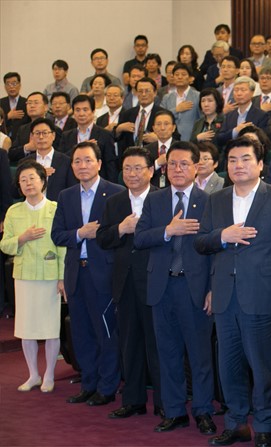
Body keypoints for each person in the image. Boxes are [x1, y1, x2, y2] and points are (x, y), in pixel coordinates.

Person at [195, 136, 271, 447]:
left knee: (262, 367)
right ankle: (236, 423)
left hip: (262, 295)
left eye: (246, 159)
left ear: (261, 164)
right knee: (229, 365)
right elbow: (202, 243)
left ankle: (264, 425)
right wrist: (223, 236)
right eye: (233, 160)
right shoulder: (217, 199)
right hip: (225, 295)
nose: (239, 165)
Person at [133, 141, 216, 435]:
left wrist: (212, 289)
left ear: (196, 167)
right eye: (172, 164)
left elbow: (215, 250)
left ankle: (203, 411)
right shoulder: (154, 200)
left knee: (199, 355)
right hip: (162, 286)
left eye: (183, 164)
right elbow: (140, 238)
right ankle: (174, 411)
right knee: (167, 353)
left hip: (195, 289)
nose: (177, 169)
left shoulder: (209, 201)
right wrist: (168, 231)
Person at [51, 141, 125, 406]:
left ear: (99, 164)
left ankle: (107, 387)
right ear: (72, 166)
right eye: (77, 161)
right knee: (81, 333)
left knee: (106, 333)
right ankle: (88, 383)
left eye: (88, 160)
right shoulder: (66, 195)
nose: (82, 166)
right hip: (76, 273)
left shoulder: (116, 192)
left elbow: (121, 234)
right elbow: (57, 235)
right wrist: (80, 233)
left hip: (104, 273)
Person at [95, 147, 163, 419]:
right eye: (127, 169)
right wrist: (121, 229)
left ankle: (164, 401)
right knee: (129, 344)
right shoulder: (114, 202)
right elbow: (102, 238)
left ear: (151, 171)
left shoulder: (162, 198)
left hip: (155, 281)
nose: (132, 174)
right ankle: (133, 400)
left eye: (138, 168)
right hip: (124, 283)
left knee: (158, 344)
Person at [1, 160, 65, 393]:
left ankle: (49, 375)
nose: (28, 183)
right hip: (24, 275)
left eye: (32, 178)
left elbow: (63, 246)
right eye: (23, 180)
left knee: (50, 327)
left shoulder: (56, 208)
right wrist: (22, 238)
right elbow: (5, 244)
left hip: (50, 275)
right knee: (26, 328)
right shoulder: (14, 211)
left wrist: (62, 277)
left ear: (43, 181)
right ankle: (33, 375)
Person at [59, 95, 118, 183]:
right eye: (77, 110)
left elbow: (110, 165)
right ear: (73, 113)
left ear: (93, 112)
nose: (81, 114)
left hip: (98, 184)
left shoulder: (105, 135)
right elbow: (61, 160)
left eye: (85, 110)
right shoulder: (66, 135)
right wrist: (79, 147)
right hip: (72, 184)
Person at [18, 118, 76, 202]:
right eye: (37, 133)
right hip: (31, 207)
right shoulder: (24, 162)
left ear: (53, 136)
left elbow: (73, 190)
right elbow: (15, 192)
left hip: (58, 207)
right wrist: (38, 175)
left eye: (45, 133)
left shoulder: (66, 161)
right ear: (31, 136)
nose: (41, 137)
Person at [162, 63, 201, 142]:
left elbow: (201, 119)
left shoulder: (198, 96)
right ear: (173, 77)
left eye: (183, 74)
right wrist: (176, 110)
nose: (180, 77)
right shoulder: (166, 97)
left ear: (190, 78)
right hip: (170, 140)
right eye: (177, 74)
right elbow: (161, 117)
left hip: (191, 140)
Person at [1, 72, 30, 139]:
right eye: (8, 84)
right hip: (3, 139)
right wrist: (8, 116)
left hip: (22, 139)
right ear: (5, 87)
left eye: (14, 83)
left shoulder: (26, 102)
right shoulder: (1, 103)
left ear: (19, 85)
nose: (11, 87)